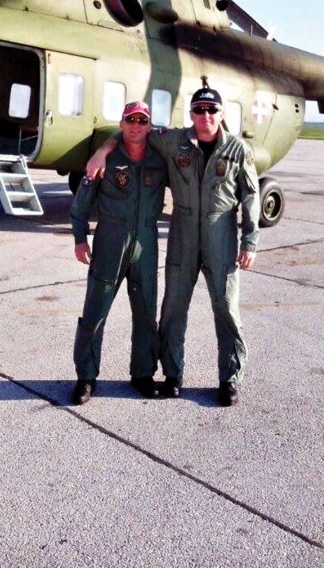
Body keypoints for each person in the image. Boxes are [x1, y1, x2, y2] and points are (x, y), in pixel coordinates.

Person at [87, 87, 260, 407]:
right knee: (173, 309)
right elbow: (133, 131)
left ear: (222, 114)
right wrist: (103, 151)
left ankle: (229, 378)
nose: (205, 116)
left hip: (221, 234)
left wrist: (250, 241)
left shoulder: (237, 149)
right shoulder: (174, 140)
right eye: (199, 110)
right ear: (191, 114)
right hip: (182, 233)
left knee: (226, 308)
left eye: (212, 110)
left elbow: (251, 196)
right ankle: (172, 374)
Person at [70, 101, 167, 404]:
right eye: (130, 120)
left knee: (146, 313)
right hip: (110, 239)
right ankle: (86, 377)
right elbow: (81, 204)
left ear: (149, 126)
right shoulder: (105, 160)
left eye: (142, 120)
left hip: (146, 243)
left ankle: (143, 374)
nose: (136, 125)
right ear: (122, 123)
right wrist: (80, 239)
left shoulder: (160, 158)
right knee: (95, 310)